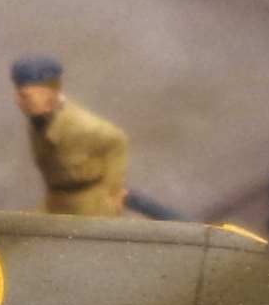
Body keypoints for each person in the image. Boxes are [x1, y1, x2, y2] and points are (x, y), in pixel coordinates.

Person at [9, 57, 178, 219]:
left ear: (49, 95)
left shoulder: (81, 125)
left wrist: (113, 190)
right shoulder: (38, 122)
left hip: (88, 203)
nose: (18, 101)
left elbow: (116, 140)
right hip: (56, 200)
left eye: (25, 96)